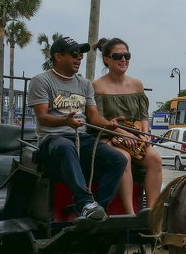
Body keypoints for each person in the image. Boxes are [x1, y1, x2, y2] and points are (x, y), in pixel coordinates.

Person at [26, 35, 127, 220]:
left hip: (81, 138)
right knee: (65, 146)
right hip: (52, 140)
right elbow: (42, 117)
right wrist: (65, 121)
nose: (79, 58)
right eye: (74, 54)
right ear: (58, 56)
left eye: (80, 54)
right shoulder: (41, 81)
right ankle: (85, 202)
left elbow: (94, 116)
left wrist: (109, 125)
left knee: (118, 159)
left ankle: (98, 209)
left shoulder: (84, 83)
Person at [92, 37, 162, 213]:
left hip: (135, 136)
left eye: (127, 55)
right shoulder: (97, 86)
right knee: (124, 158)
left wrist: (145, 136)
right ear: (106, 59)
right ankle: (130, 214)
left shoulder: (137, 84)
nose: (123, 59)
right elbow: (96, 119)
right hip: (107, 136)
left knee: (155, 159)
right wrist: (121, 133)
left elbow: (143, 115)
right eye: (117, 56)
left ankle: (151, 213)